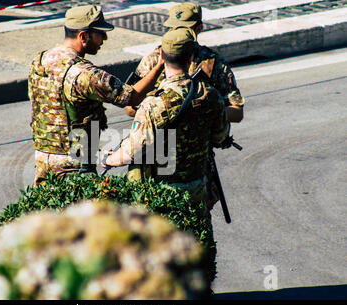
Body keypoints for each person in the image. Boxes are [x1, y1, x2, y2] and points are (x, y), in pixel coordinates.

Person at [28, 5, 164, 186]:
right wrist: (159, 67)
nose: (105, 38)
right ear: (83, 36)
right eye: (100, 33)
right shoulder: (85, 74)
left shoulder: (40, 60)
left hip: (43, 158)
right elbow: (131, 97)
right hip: (74, 166)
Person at [101, 28, 230, 212]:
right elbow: (220, 137)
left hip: (164, 194)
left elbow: (133, 152)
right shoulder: (211, 96)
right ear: (191, 58)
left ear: (161, 55)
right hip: (198, 187)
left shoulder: (154, 104)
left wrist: (108, 159)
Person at [125, 2, 244, 123]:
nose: (178, 33)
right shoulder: (153, 60)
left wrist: (206, 110)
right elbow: (130, 108)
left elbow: (237, 112)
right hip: (166, 135)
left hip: (201, 135)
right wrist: (162, 110)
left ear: (199, 28)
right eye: (174, 28)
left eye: (184, 29)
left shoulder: (213, 63)